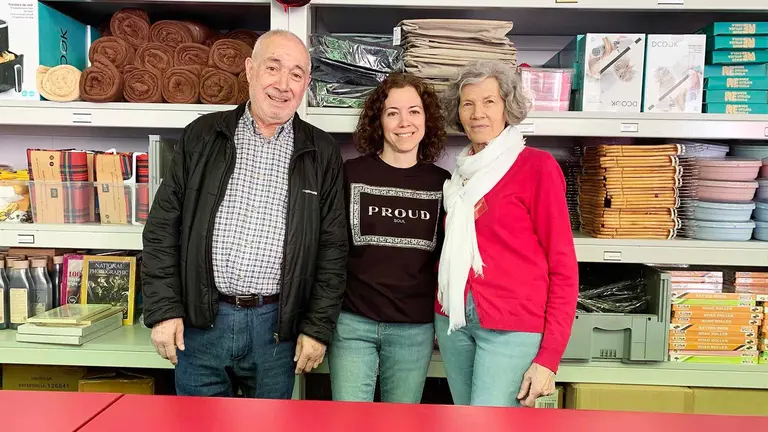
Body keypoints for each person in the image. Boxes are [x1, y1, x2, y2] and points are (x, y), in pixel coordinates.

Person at [141, 29, 348, 399]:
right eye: (273, 67)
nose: (283, 85)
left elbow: (333, 250)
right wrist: (164, 310)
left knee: (269, 425)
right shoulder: (203, 135)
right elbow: (162, 230)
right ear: (251, 70)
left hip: (277, 330)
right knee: (197, 425)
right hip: (200, 323)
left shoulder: (322, 151)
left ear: (306, 85)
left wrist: (317, 329)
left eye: (296, 74)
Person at [435, 60, 578, 408]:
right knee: (463, 422)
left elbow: (563, 266)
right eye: (467, 104)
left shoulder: (537, 167)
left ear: (507, 107)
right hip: (454, 321)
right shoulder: (459, 174)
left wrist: (549, 357)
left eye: (489, 102)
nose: (477, 113)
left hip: (512, 328)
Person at [328, 73, 450, 403]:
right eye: (392, 113)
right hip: (353, 325)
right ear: (378, 121)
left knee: (401, 424)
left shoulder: (442, 183)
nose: (404, 122)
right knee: (348, 423)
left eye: (414, 111)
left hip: (414, 329)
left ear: (427, 119)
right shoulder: (351, 174)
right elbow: (330, 250)